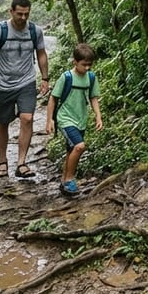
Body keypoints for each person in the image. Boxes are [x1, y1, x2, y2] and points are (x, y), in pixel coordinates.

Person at [0, 0, 49, 179]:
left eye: (27, 14)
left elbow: (41, 54)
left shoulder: (35, 31)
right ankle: (2, 162)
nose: (23, 18)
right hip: (2, 84)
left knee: (27, 118)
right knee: (3, 123)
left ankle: (22, 163)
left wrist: (45, 78)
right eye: (19, 14)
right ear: (11, 11)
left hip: (26, 82)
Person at [45, 43, 103, 196]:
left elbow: (93, 97)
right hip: (65, 118)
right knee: (79, 146)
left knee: (71, 151)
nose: (87, 68)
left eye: (90, 65)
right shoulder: (66, 77)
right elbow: (53, 98)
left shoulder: (91, 77)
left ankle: (64, 183)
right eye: (84, 65)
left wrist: (98, 116)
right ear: (75, 62)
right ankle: (71, 179)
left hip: (81, 120)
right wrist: (50, 120)